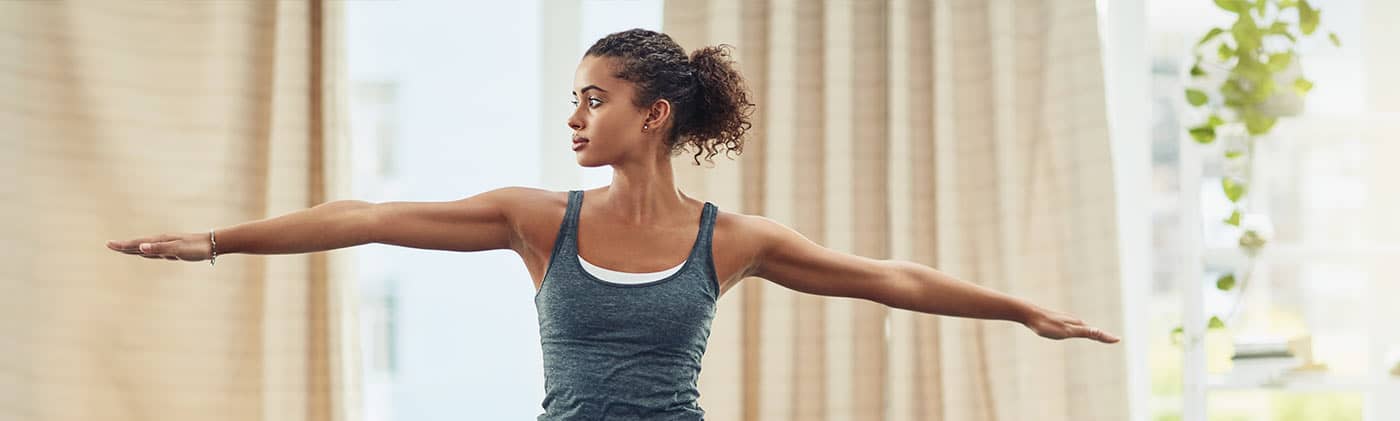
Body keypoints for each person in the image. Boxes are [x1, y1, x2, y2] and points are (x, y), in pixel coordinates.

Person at [107, 28, 1119, 420]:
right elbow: (366, 215)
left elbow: (892, 277)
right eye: (573, 98)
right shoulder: (535, 219)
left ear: (654, 114)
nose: (574, 117)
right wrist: (220, 239)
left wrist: (1022, 310)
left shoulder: (731, 239)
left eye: (593, 98)